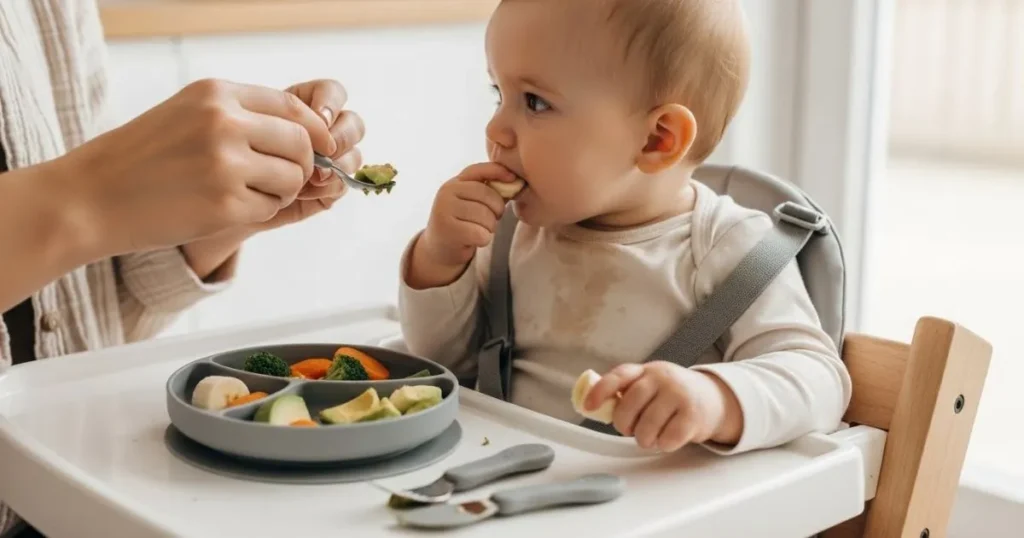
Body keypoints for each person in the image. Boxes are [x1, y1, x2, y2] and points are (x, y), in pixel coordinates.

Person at [398, 0, 853, 455]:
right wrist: (439, 258)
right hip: (498, 481)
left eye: (535, 102)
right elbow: (442, 364)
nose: (495, 129)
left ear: (657, 139)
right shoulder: (511, 233)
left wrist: (715, 399)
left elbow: (819, 379)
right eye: (500, 94)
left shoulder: (728, 250)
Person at [0, 2, 364, 535]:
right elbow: (81, 211)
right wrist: (91, 196)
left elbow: (81, 313)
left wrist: (223, 216)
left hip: (83, 502)